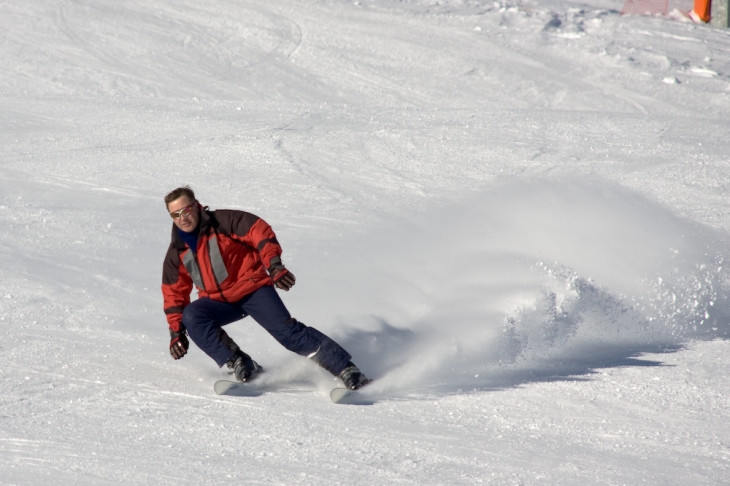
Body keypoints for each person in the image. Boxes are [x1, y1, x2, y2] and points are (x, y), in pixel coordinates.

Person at [161, 186, 370, 390]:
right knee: (192, 315)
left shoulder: (224, 222)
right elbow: (174, 294)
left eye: (186, 210)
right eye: (175, 214)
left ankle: (346, 369)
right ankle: (241, 363)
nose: (183, 218)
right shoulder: (177, 252)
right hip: (219, 302)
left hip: (253, 289)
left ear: (196, 206)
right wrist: (176, 332)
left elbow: (259, 232)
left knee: (287, 332)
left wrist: (274, 266)